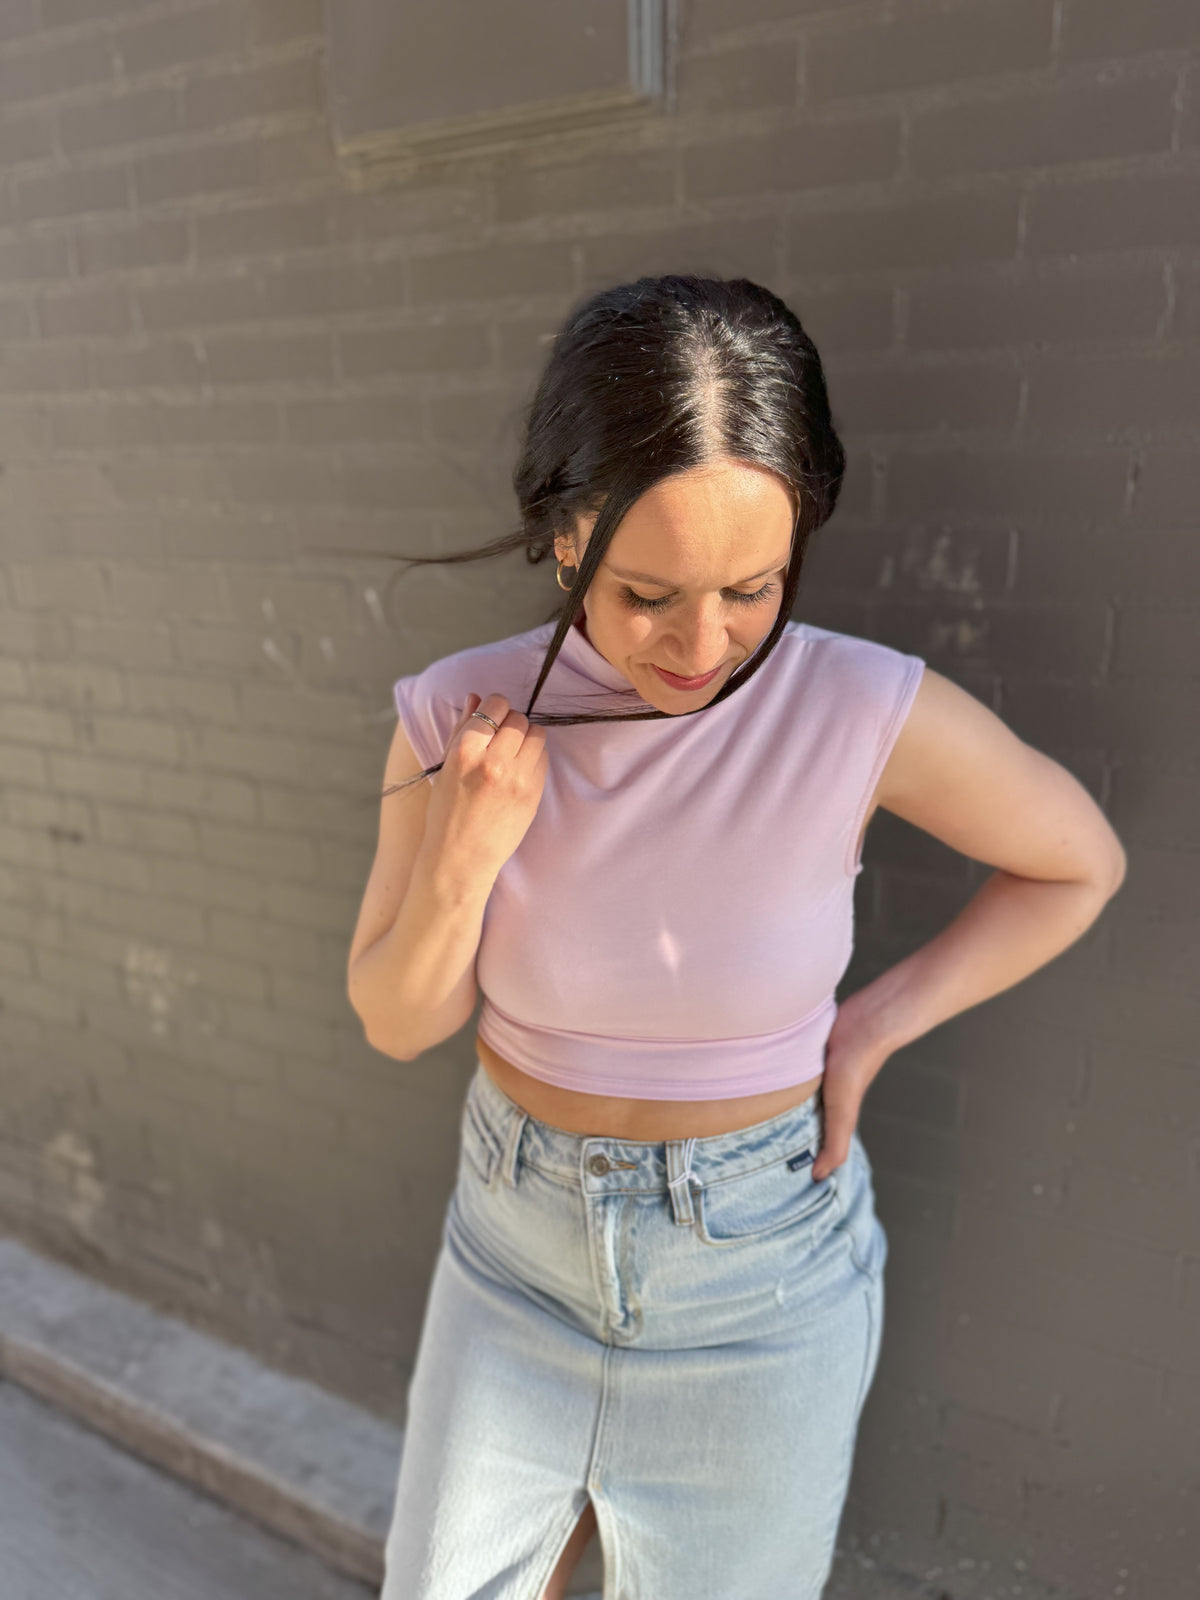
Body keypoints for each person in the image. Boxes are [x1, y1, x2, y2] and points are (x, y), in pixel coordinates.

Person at [347, 276, 1126, 1600]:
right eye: (647, 592)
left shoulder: (860, 706)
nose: (703, 646)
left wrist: (872, 1024)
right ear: (560, 534)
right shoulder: (456, 713)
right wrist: (467, 853)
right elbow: (399, 1019)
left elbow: (1076, 862)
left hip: (759, 1289)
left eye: (753, 587)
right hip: (513, 1257)